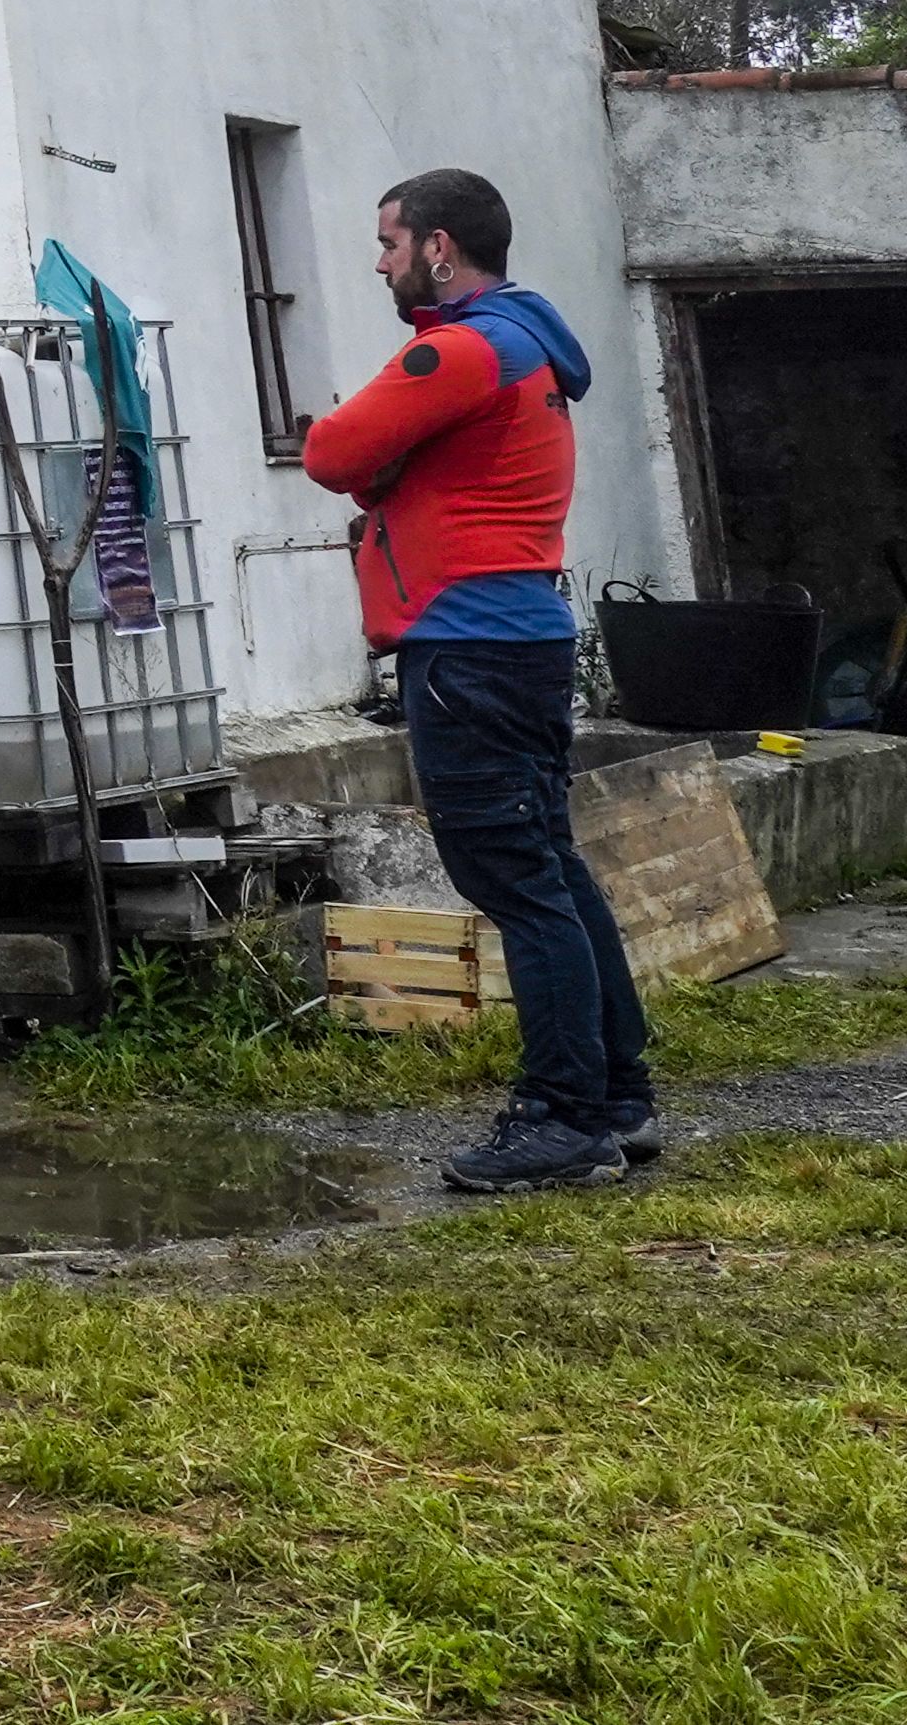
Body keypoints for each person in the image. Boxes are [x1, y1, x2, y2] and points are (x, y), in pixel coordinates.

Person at [307, 167, 648, 1193]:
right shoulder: (526, 342)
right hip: (519, 641)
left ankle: (562, 1118)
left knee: (515, 880)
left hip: (468, 648)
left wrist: (374, 467)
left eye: (389, 242)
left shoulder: (458, 350)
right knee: (547, 863)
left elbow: (331, 451)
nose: (380, 262)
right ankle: (616, 1098)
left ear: (440, 248)